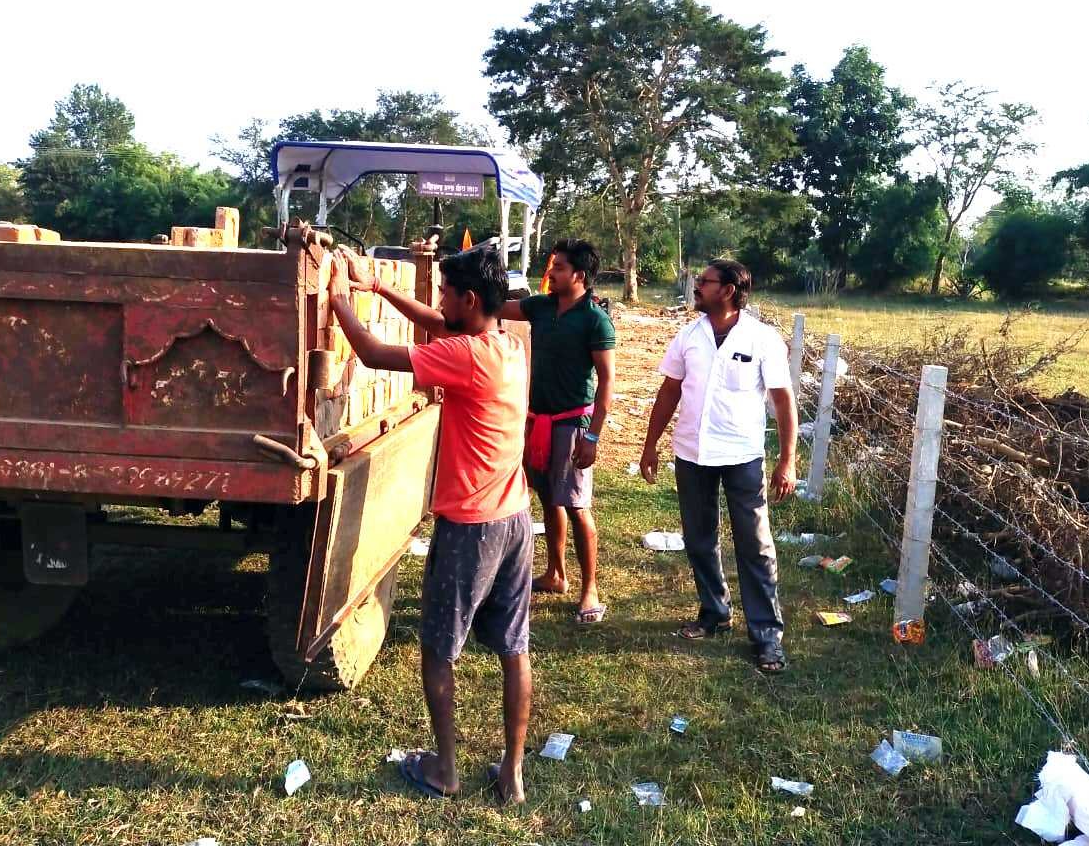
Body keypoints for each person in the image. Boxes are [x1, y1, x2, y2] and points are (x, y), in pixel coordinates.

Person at [330, 244, 532, 804]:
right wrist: (378, 288)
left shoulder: (465, 356)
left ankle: (445, 770)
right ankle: (512, 773)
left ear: (469, 298)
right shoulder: (509, 346)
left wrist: (339, 297)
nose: (439, 300)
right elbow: (437, 323)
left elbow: (372, 353)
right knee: (514, 648)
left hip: (471, 527)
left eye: (445, 291)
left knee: (439, 650)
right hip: (515, 517)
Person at [638, 260, 798, 676]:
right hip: (692, 454)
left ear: (727, 290)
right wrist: (650, 444)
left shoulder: (762, 338)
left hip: (742, 456)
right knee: (699, 538)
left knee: (755, 545)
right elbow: (670, 390)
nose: (697, 286)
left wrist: (787, 459)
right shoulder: (689, 336)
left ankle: (766, 635)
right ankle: (715, 612)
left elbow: (783, 401)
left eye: (704, 282)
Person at [498, 239, 615, 625]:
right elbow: (496, 307)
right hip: (538, 420)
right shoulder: (542, 307)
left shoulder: (595, 320)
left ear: (579, 275)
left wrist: (592, 437)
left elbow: (607, 382)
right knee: (549, 497)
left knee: (577, 506)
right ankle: (556, 574)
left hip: (572, 423)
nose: (551, 272)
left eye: (559, 267)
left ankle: (589, 588)